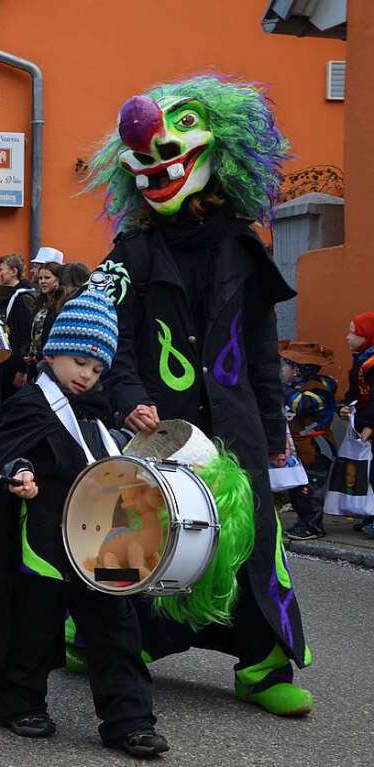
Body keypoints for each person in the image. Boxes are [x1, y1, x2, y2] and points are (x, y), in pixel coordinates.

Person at [86, 75, 311, 716]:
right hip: (164, 434)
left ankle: (263, 667)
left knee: (251, 546)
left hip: (235, 432)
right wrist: (126, 396)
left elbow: (263, 355)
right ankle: (126, 643)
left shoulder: (244, 246)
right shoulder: (128, 253)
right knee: (150, 542)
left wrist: (272, 437)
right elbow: (109, 342)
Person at [0, 289, 170, 759]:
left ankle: (129, 721)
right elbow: (2, 450)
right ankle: (21, 702)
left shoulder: (97, 411)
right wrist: (20, 471)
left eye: (97, 369)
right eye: (79, 361)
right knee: (35, 624)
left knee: (117, 629)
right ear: (53, 352)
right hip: (45, 535)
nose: (86, 375)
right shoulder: (30, 403)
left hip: (99, 539)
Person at [278, 342, 337, 540]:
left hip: (316, 449)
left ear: (296, 370)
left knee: (309, 490)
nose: (282, 370)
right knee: (297, 489)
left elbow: (300, 404)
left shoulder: (318, 390)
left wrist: (277, 389)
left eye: (285, 365)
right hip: (300, 448)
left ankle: (313, 526)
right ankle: (303, 522)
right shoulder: (294, 387)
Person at [0, 254, 37, 424]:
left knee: (12, 414)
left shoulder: (23, 298)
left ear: (14, 272)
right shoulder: (1, 297)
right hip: (1, 365)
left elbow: (28, 335)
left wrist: (22, 369)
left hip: (13, 366)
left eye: (0, 270)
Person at [340, 312, 374, 536]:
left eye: (353, 332)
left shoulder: (371, 363)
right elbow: (354, 393)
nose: (347, 337)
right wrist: (343, 406)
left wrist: (370, 424)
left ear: (367, 336)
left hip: (369, 427)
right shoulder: (361, 359)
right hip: (362, 424)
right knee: (368, 474)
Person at [26, 261, 65, 367]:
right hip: (36, 362)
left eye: (47, 278)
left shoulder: (62, 304)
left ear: (58, 279)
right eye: (40, 278)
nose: (42, 281)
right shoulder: (40, 302)